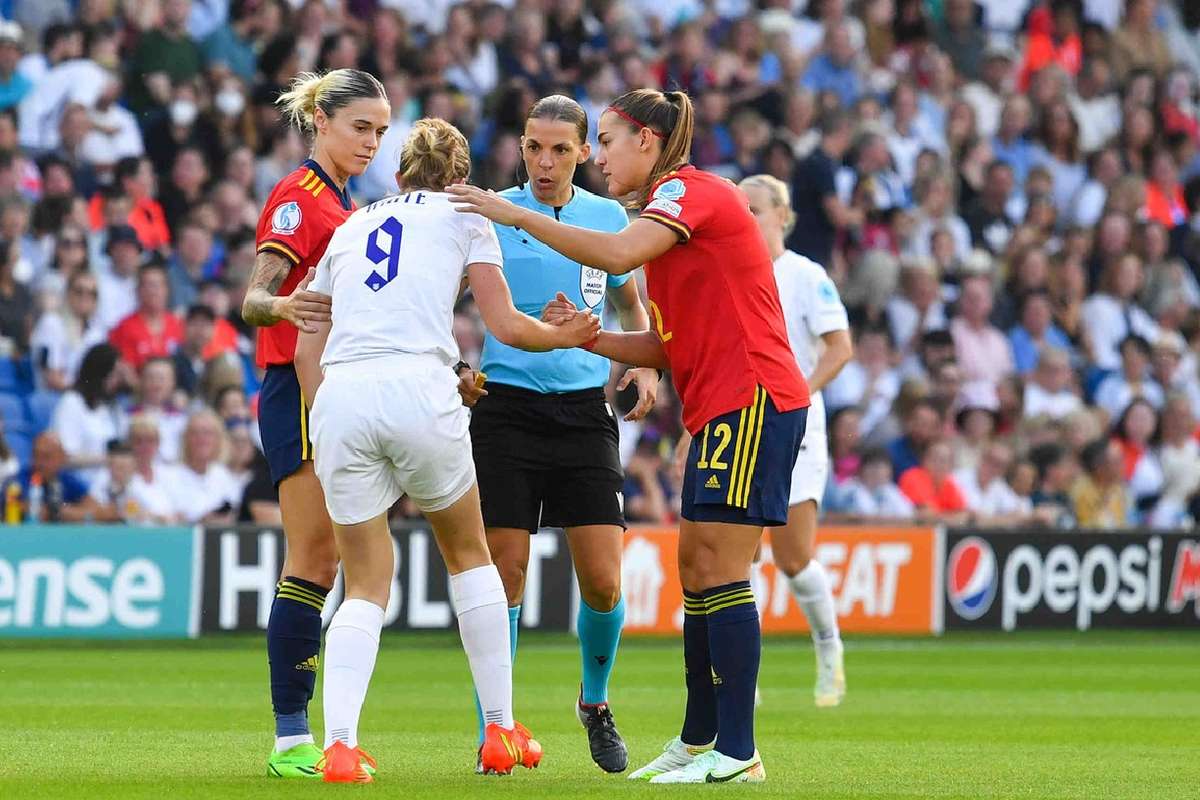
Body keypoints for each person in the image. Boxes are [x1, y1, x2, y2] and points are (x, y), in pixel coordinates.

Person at [449, 88, 811, 784]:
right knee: (698, 572)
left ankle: (738, 752)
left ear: (646, 140)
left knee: (722, 571)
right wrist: (597, 339)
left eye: (605, 142)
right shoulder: (669, 212)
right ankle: (698, 737)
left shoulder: (688, 193)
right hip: (717, 405)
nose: (600, 159)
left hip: (753, 396)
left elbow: (616, 257)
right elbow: (668, 345)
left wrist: (507, 209)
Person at [294, 118, 597, 781]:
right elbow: (507, 325)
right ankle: (499, 730)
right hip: (421, 392)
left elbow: (304, 342)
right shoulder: (468, 216)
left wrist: (326, 418)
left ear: (399, 174)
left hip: (342, 396)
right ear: (459, 179)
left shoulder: (350, 228)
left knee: (366, 582)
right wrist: (572, 337)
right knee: (469, 557)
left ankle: (339, 745)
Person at [463, 95, 658, 773]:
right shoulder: (492, 213)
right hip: (506, 408)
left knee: (603, 582)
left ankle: (594, 703)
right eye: (533, 148)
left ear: (582, 152)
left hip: (581, 412)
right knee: (505, 576)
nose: (544, 163)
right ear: (520, 147)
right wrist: (456, 365)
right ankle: (500, 724)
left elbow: (632, 297)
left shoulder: (608, 219)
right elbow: (439, 299)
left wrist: (645, 368)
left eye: (560, 150)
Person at [238, 68, 390, 778]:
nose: (371, 142)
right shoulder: (301, 200)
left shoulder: (342, 200)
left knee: (327, 561)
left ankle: (307, 733)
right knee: (314, 558)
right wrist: (286, 307)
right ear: (321, 122)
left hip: (331, 386)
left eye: (381, 132)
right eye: (361, 128)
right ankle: (292, 738)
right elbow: (253, 298)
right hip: (293, 386)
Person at [737, 173, 853, 707]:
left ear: (782, 215)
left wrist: (797, 395)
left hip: (797, 427)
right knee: (741, 554)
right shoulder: (732, 273)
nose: (746, 218)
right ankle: (746, 675)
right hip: (740, 424)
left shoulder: (806, 275)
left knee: (793, 554)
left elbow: (839, 347)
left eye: (755, 209)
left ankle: (829, 647)